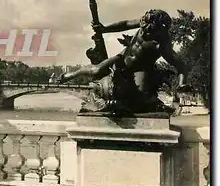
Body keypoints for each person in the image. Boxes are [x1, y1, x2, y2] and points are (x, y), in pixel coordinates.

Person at [57, 9, 189, 111]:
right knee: (96, 70)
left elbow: (180, 66)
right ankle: (71, 74)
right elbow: (125, 24)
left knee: (141, 99)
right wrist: (104, 29)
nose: (142, 33)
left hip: (140, 69)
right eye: (142, 29)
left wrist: (182, 84)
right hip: (123, 57)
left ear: (158, 32)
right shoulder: (145, 22)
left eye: (148, 32)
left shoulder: (162, 45)